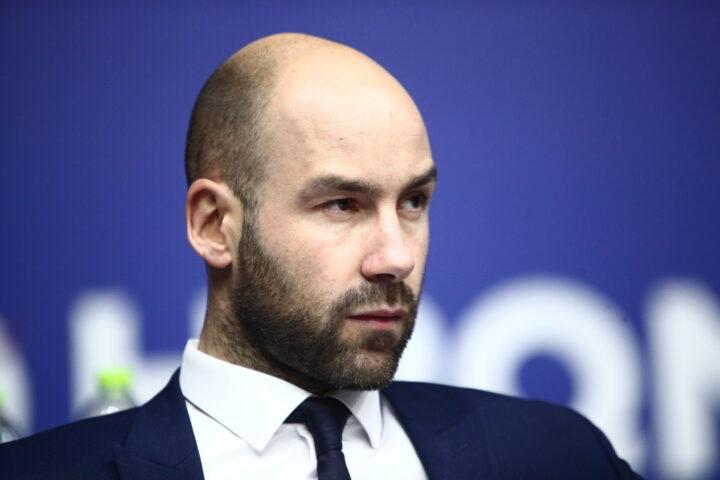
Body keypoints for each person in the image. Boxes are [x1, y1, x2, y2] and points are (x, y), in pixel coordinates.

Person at [0, 33, 641, 479]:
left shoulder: (558, 455)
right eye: (341, 204)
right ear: (214, 225)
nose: (395, 256)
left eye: (414, 201)